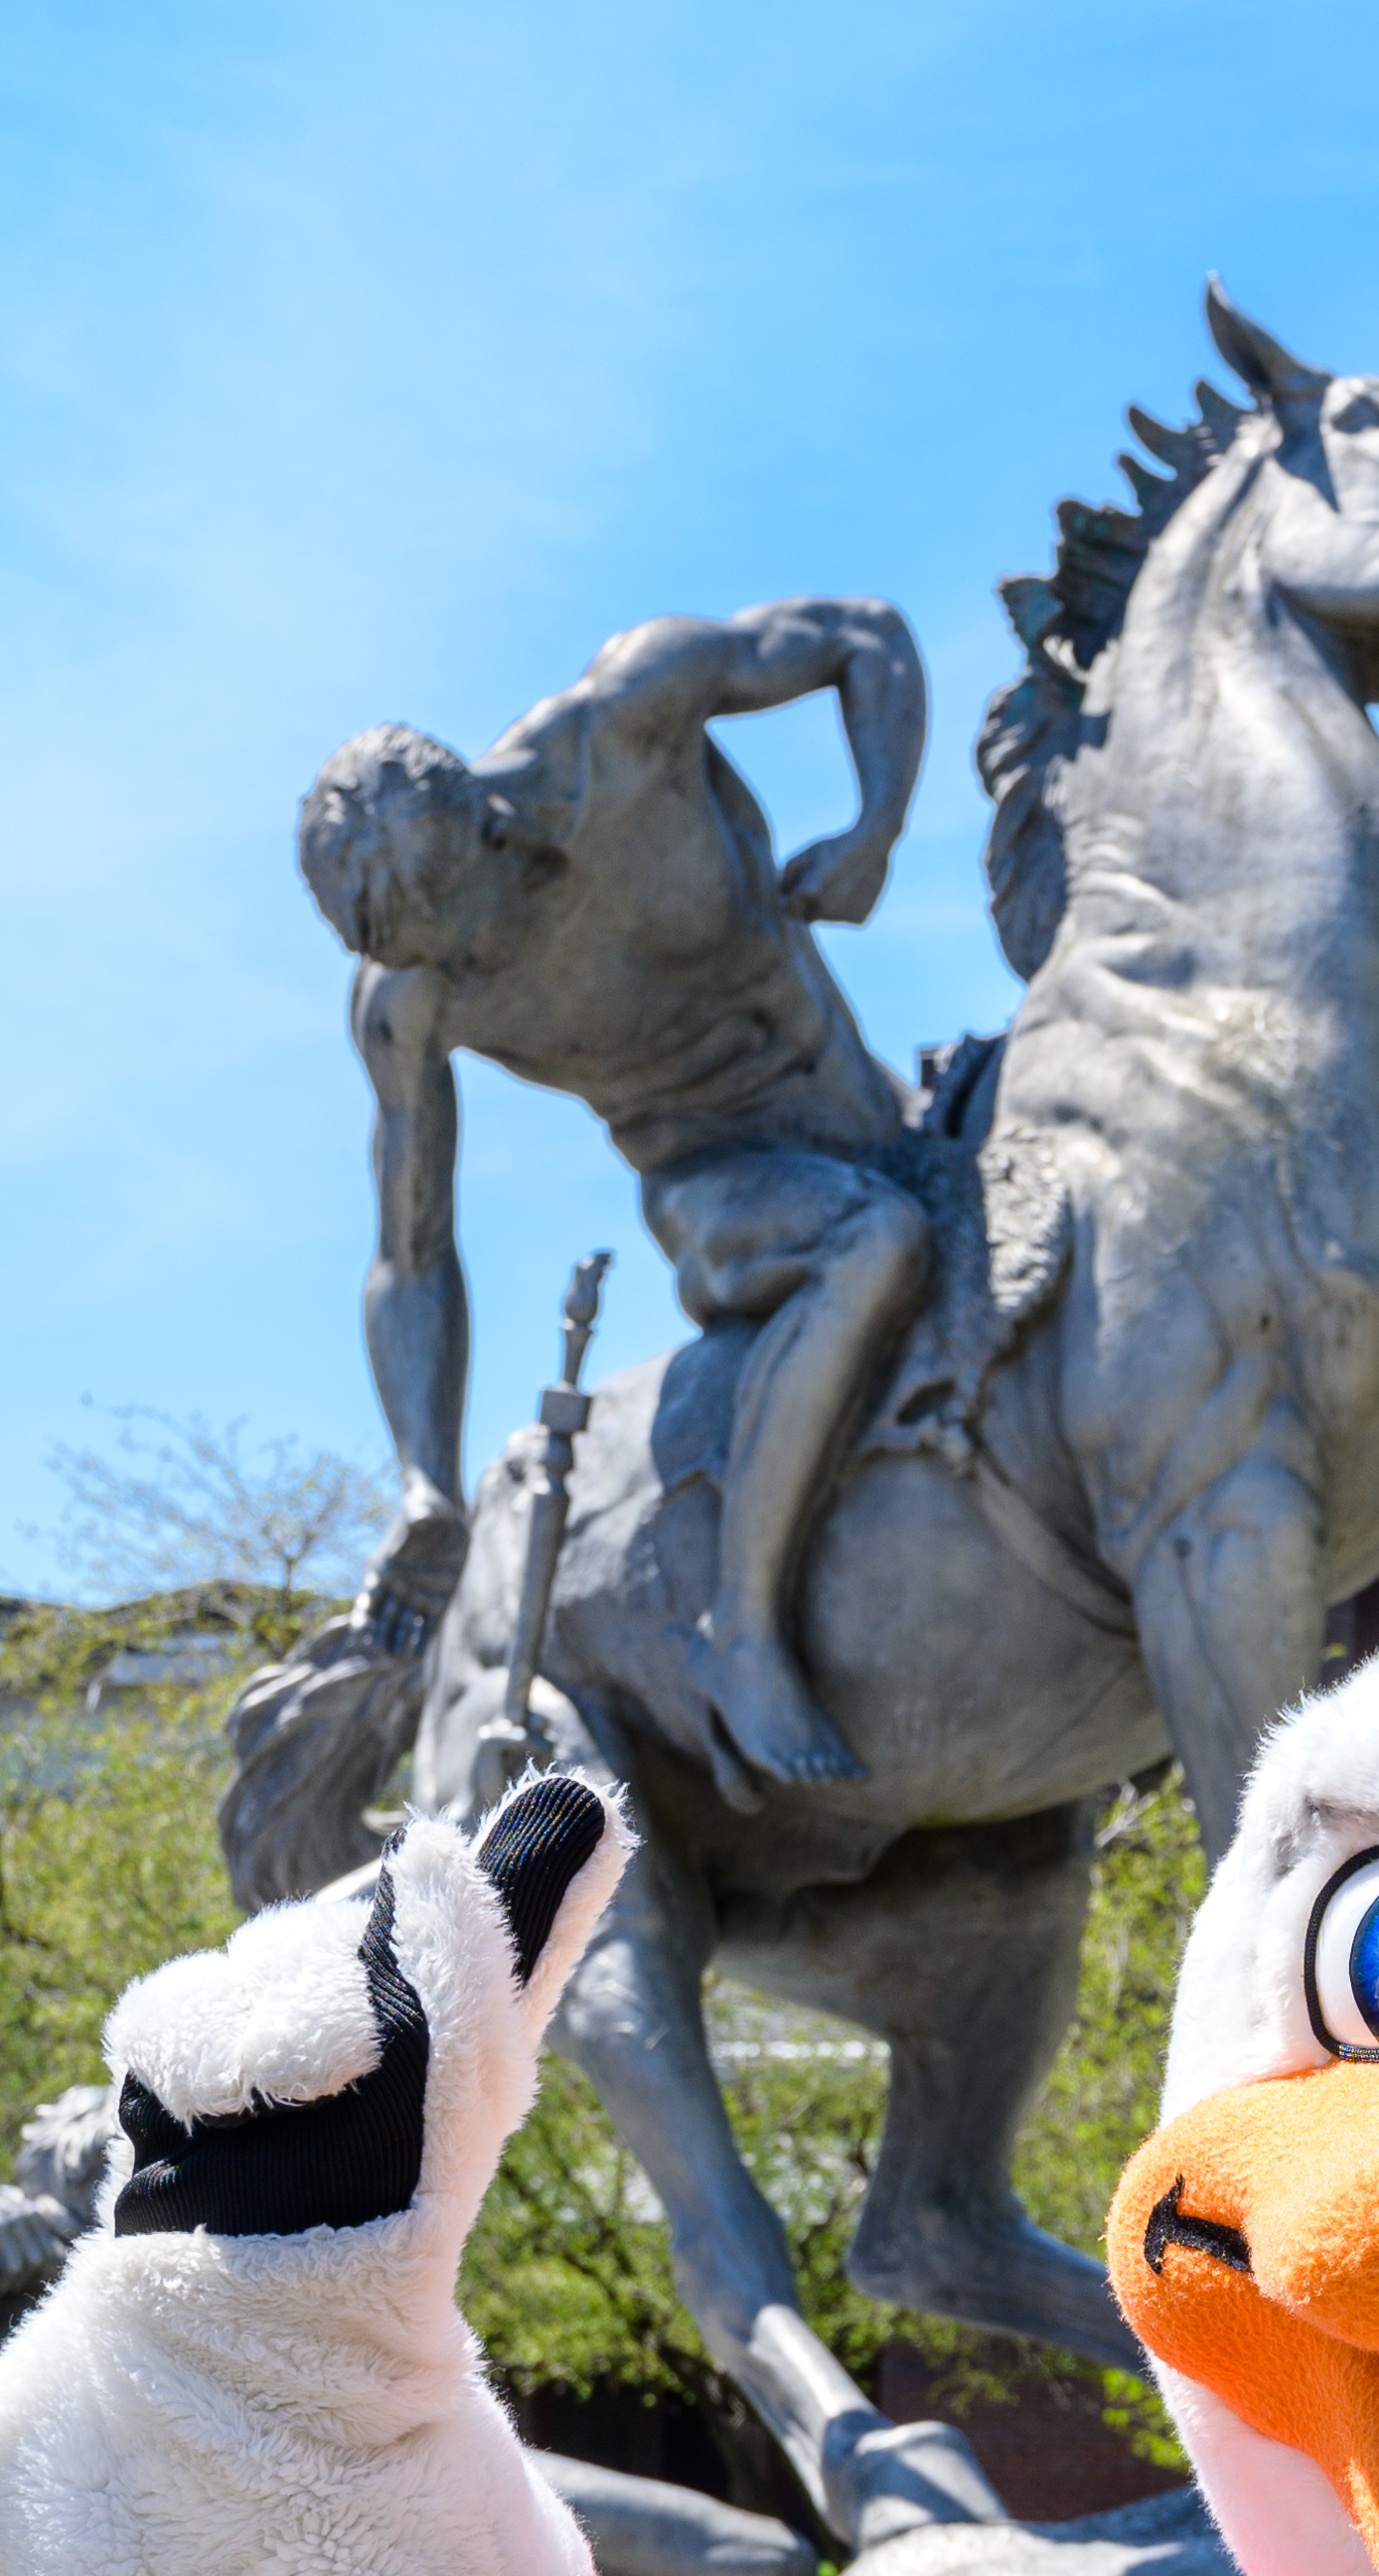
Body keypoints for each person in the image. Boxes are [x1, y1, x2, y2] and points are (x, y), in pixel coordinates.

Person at [294, 600, 934, 1803]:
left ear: (492, 825)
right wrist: (423, 1480)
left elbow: (864, 636)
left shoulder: (624, 721)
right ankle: (740, 1632)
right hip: (712, 1182)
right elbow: (412, 1255)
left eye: (468, 932)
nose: (465, 969)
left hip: (870, 1101)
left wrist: (875, 832)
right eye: (433, 958)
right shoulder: (410, 1004)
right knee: (873, 1242)